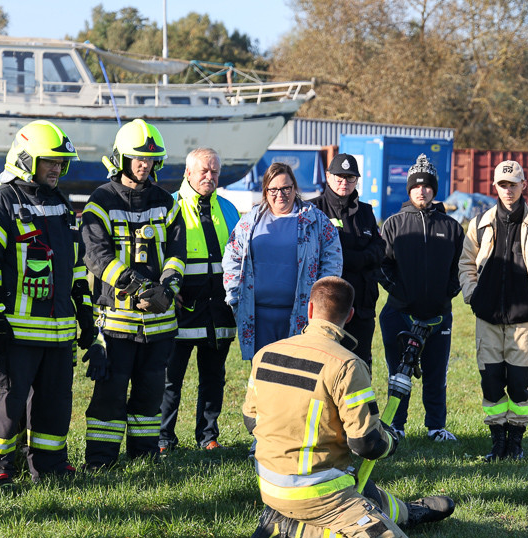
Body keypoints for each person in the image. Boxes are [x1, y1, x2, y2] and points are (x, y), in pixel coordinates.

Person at [245, 276, 455, 538]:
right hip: (317, 493)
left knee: (365, 489)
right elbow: (367, 444)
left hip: (269, 484)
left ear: (309, 310)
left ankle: (406, 512)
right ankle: (291, 531)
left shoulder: (266, 354)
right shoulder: (346, 364)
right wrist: (389, 442)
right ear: (350, 315)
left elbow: (251, 421)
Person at [0, 120, 90, 491]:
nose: (57, 168)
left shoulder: (60, 202)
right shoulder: (0, 201)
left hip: (58, 330)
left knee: (54, 402)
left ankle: (49, 466)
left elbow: (75, 262)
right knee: (6, 401)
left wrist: (83, 307)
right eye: (49, 161)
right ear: (25, 159)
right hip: (15, 329)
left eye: (61, 162)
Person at [79, 119, 187, 468]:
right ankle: (100, 461)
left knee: (149, 393)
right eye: (138, 158)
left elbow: (177, 251)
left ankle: (144, 457)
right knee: (110, 393)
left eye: (151, 159)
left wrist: (167, 287)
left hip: (159, 323)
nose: (145, 165)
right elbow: (96, 257)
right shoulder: (101, 200)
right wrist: (139, 288)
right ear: (121, 159)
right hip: (116, 322)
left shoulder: (166, 201)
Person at [459, 160, 528, 460]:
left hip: (523, 319)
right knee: (491, 381)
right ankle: (497, 441)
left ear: (523, 185)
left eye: (513, 184)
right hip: (487, 316)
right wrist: (473, 295)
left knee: (519, 383)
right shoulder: (479, 223)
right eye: (502, 185)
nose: (508, 190)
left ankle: (515, 439)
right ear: (495, 186)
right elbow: (466, 264)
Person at [159, 148, 240, 453]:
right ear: (188, 173)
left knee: (213, 378)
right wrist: (165, 286)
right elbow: (157, 252)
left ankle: (208, 436)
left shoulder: (229, 209)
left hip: (218, 310)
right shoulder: (171, 206)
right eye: (204, 170)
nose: (210, 176)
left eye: (215, 171)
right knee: (170, 379)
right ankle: (164, 438)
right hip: (180, 309)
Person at [379, 153, 463, 442]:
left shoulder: (451, 227)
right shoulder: (393, 224)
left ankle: (435, 426)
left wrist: (448, 292)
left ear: (434, 189)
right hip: (400, 313)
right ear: (409, 189)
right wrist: (400, 292)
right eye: (416, 185)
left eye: (427, 185)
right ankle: (396, 426)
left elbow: (461, 268)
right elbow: (382, 264)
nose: (422, 190)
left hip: (439, 315)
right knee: (398, 374)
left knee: (436, 374)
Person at [222, 162, 342, 361]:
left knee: (297, 376)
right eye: (274, 189)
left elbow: (333, 260)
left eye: (286, 188)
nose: (280, 194)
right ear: (265, 191)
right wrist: (234, 296)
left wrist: (322, 301)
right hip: (258, 317)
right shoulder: (250, 221)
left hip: (302, 317)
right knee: (262, 376)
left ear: (295, 188)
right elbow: (232, 257)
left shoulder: (316, 220)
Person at [310, 154, 384, 370]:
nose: (344, 183)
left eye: (350, 178)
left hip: (362, 306)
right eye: (339, 177)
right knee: (326, 367)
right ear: (328, 177)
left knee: (359, 367)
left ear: (357, 181)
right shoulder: (314, 209)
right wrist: (360, 258)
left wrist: (355, 258)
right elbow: (318, 252)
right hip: (328, 307)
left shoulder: (366, 212)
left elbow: (380, 248)